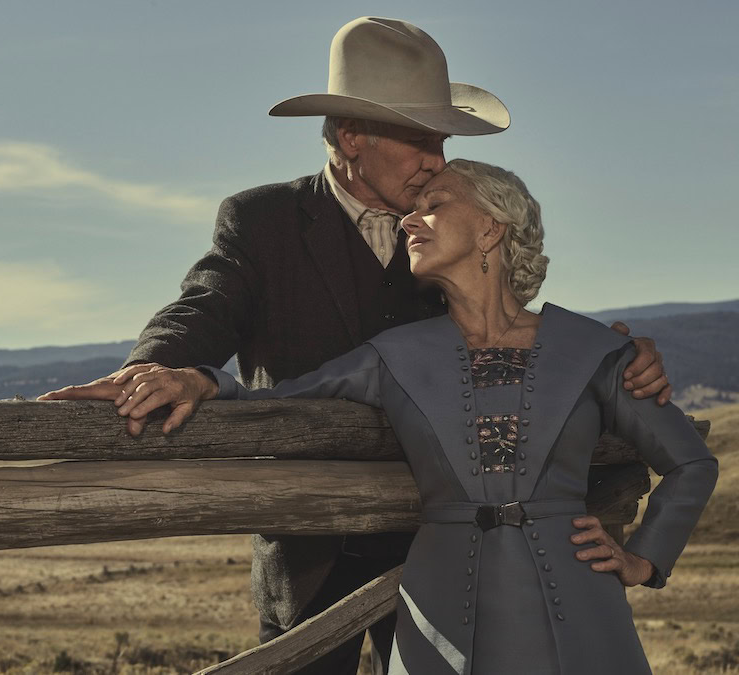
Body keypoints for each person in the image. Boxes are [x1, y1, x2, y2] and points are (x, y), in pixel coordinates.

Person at [39, 17, 672, 674]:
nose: (438, 160)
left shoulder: (452, 227)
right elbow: (206, 305)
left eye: (442, 141)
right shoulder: (262, 223)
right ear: (351, 136)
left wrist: (607, 364)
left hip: (444, 550)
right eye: (420, 139)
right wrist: (161, 365)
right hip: (309, 553)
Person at [99, 159, 718, 674]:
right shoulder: (392, 357)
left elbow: (690, 462)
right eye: (411, 208)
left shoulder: (595, 349)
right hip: (440, 604)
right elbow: (275, 403)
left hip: (579, 598)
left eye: (435, 204)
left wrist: (644, 558)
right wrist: (197, 377)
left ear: (490, 231)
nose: (409, 221)